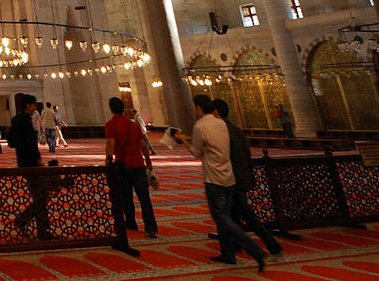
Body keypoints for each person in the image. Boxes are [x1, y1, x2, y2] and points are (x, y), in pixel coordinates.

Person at [174, 95, 267, 271]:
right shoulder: (222, 124)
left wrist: (183, 140)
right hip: (229, 176)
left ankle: (255, 250)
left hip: (214, 178)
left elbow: (197, 152)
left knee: (221, 218)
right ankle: (228, 254)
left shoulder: (200, 126)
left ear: (199, 108)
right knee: (224, 216)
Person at [214, 99, 281, 259]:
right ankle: (235, 247)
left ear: (216, 112)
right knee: (236, 215)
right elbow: (246, 156)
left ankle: (264, 246)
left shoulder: (221, 132)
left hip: (229, 179)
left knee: (226, 216)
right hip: (241, 178)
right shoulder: (237, 130)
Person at [105, 96, 157, 238]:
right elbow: (143, 145)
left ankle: (131, 223)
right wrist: (148, 161)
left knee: (126, 196)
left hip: (123, 166)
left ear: (111, 109)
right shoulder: (133, 125)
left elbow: (110, 144)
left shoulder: (110, 125)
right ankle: (150, 227)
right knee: (144, 198)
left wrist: (107, 161)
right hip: (139, 165)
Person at [9, 94, 50, 239]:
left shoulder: (15, 120)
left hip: (22, 162)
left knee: (40, 196)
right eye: (33, 105)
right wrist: (39, 162)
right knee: (41, 198)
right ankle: (24, 221)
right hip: (32, 164)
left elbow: (11, 143)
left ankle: (42, 231)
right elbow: (32, 146)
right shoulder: (26, 122)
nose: (35, 107)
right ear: (27, 105)